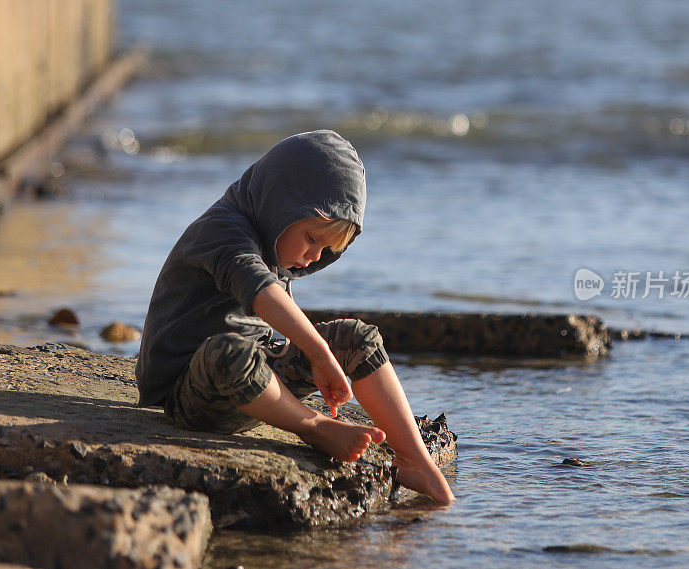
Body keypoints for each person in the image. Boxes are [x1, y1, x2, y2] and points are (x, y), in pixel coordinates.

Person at [135, 130, 455, 503]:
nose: (316, 256)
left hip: (262, 383)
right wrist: (318, 353)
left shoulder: (273, 237)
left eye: (327, 248)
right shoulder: (220, 231)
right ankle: (314, 426)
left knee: (357, 337)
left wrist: (322, 354)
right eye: (311, 238)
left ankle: (414, 458)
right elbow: (260, 292)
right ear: (280, 203)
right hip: (192, 392)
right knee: (230, 351)